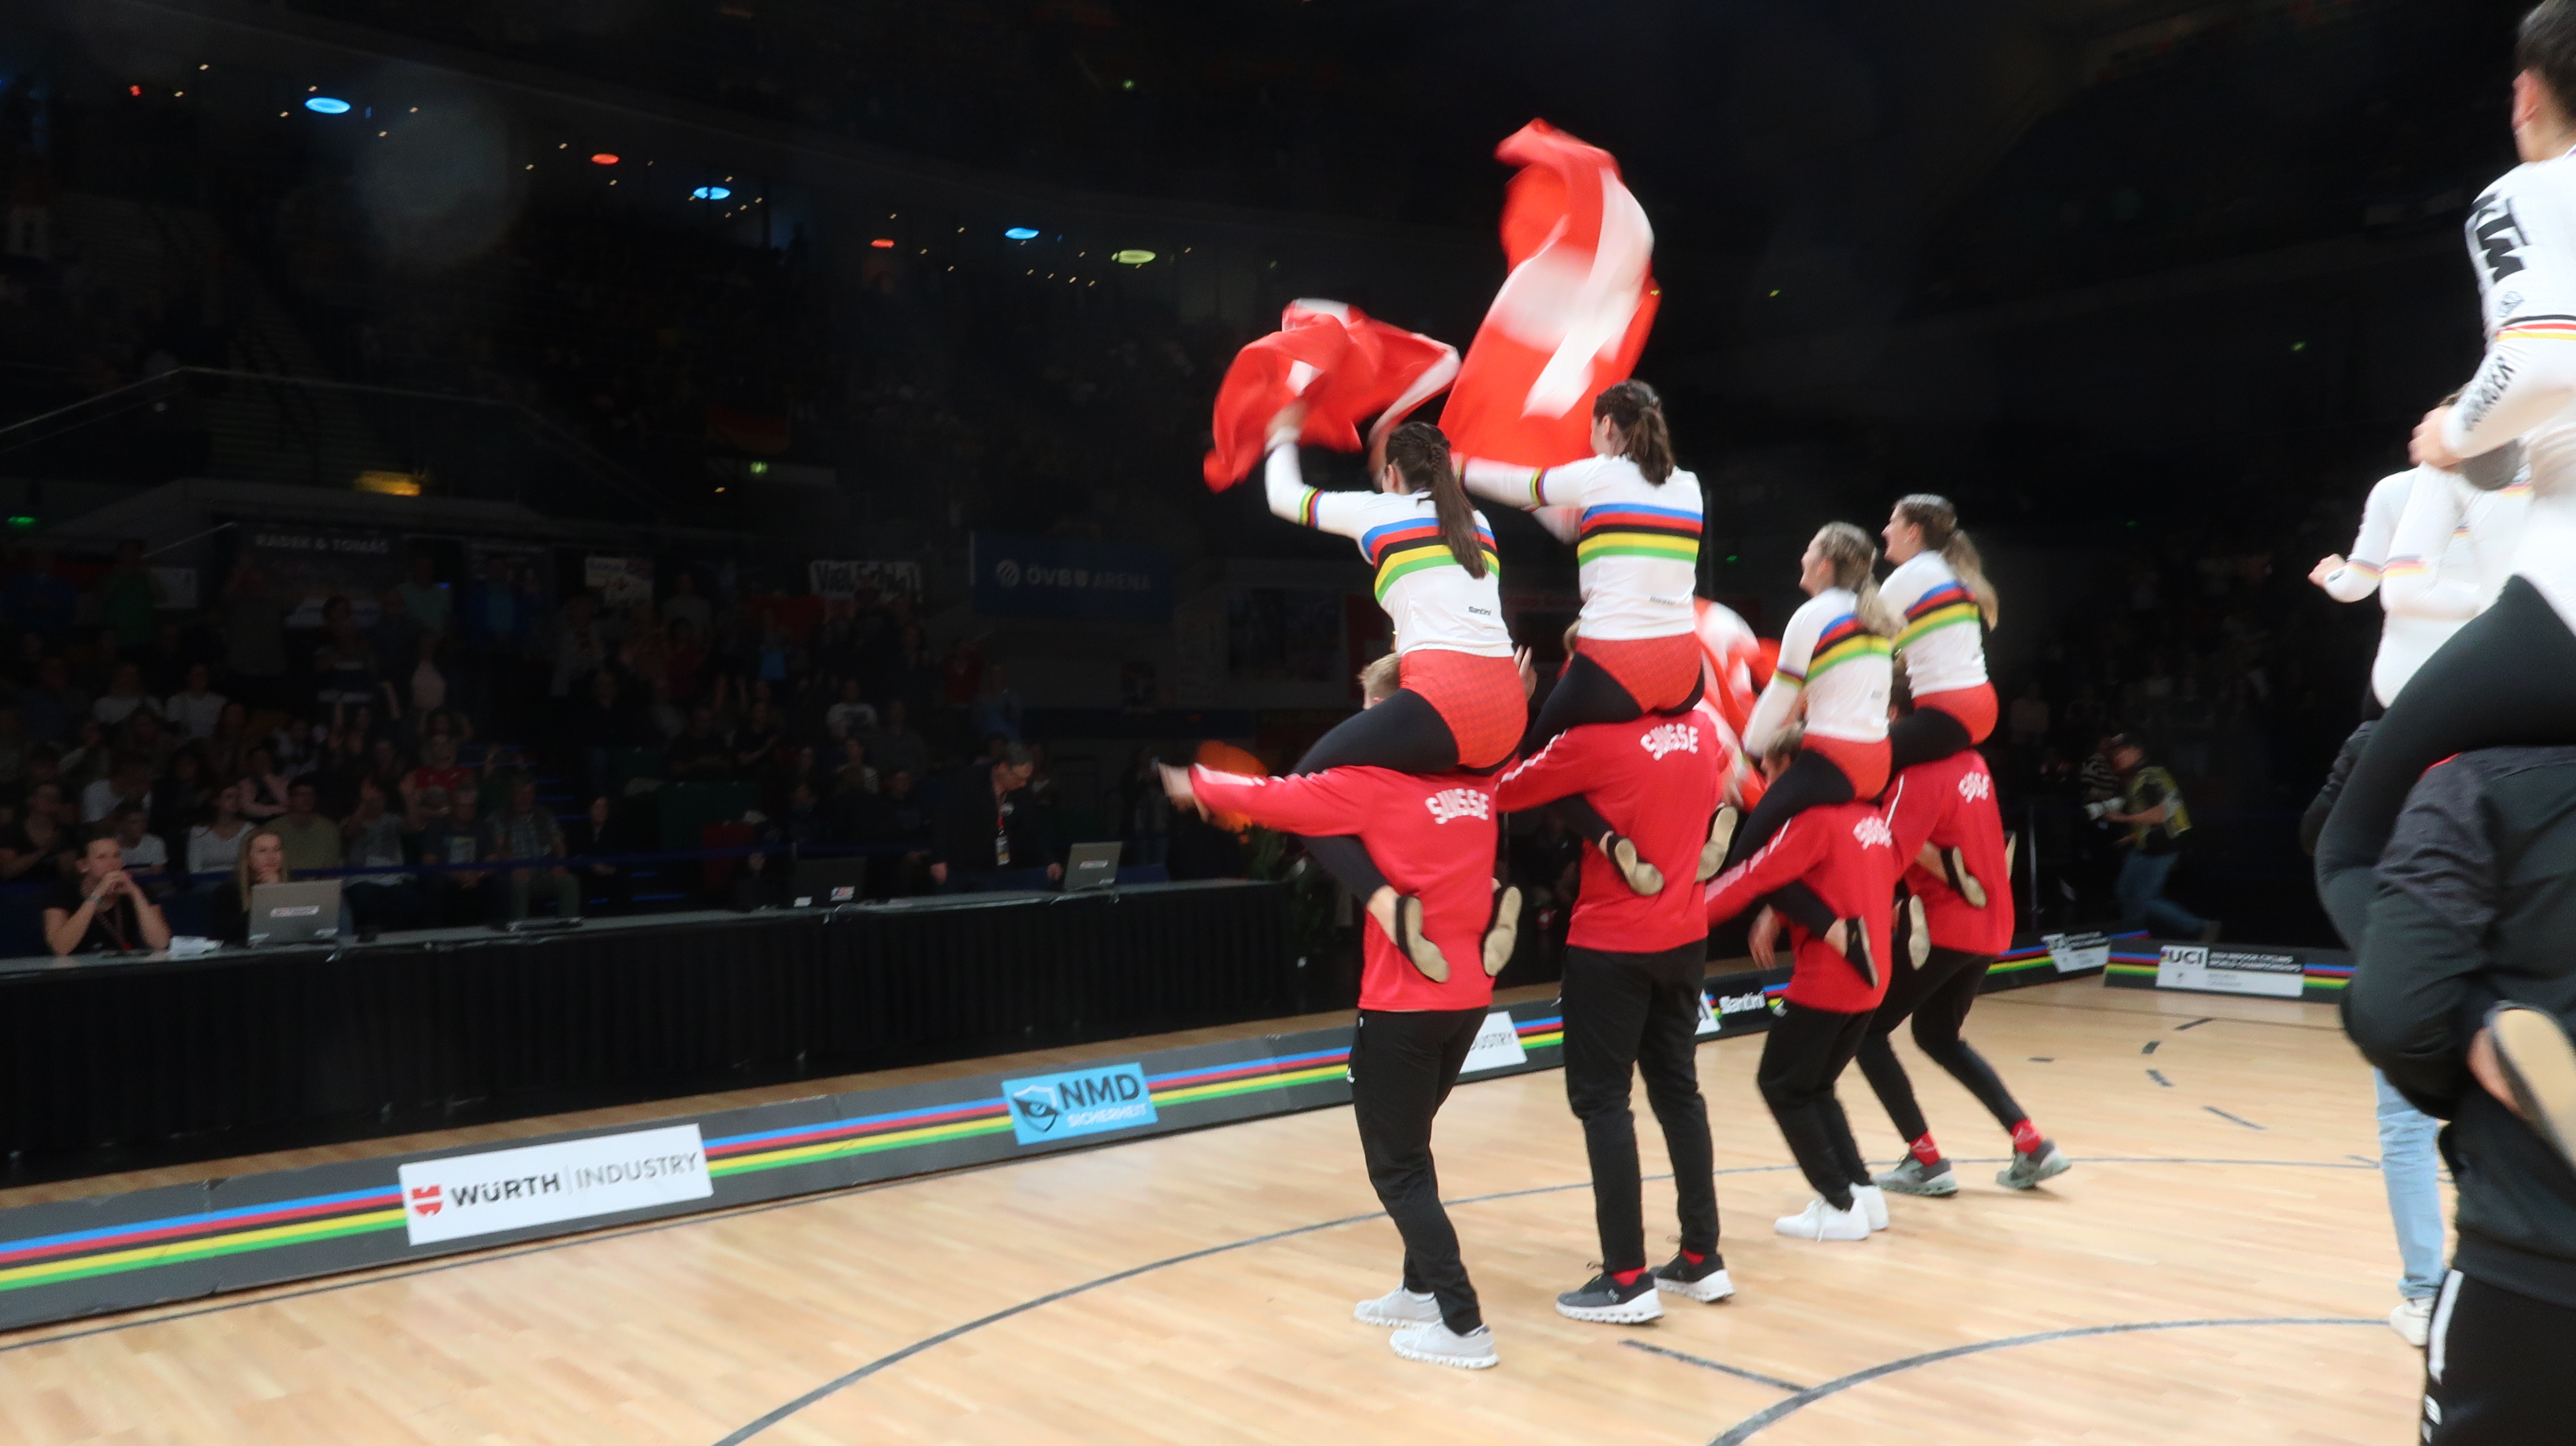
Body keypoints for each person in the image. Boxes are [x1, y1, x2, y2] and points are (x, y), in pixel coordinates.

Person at [2317, 1, 2576, 951]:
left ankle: (2467, 1042)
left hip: (2559, 609)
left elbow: (2544, 359)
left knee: (2343, 844)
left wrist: (2455, 432)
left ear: (2527, 91)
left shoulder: (2527, 193)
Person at [1161, 720, 1505, 1371]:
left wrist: (1197, 781)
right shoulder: (1476, 787)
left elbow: (1274, 798)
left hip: (1402, 1005)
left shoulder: (1371, 786)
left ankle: (1464, 1325)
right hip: (1469, 999)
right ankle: (1419, 1290)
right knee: (1414, 1147)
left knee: (1396, 1167)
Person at [2344, 745, 2576, 1441]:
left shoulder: (2482, 778)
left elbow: (2397, 1016)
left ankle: (2418, 1289)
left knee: (2402, 1132)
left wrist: (2485, 1044)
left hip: (2534, 1266)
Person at [1492, 694, 1730, 1322]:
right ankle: (1702, 1258)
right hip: (1686, 935)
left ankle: (1627, 1277)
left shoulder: (1592, 740)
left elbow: (1505, 789)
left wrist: (1517, 716)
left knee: (1603, 1102)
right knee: (1679, 1091)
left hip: (1611, 944)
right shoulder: (1702, 729)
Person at [1264, 413, 1523, 975]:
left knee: (1307, 789)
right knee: (1432, 798)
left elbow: (1285, 497)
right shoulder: (1479, 524)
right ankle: (1491, 891)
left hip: (1447, 700)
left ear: (1391, 475)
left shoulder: (1378, 512)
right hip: (1507, 709)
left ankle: (1387, 905)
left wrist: (1283, 431)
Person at [1459, 381, 1705, 890]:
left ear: (1608, 426)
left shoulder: (1597, 476)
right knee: (1672, 739)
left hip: (1618, 668)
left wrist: (1456, 464)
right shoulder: (1689, 485)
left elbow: (1517, 484)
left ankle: (1609, 838)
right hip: (1685, 671)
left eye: (1592, 427)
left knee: (1538, 758)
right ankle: (1710, 813)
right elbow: (1581, 523)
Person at [1702, 730, 1899, 1243]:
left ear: (1795, 766)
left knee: (1782, 1084)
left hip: (1829, 976)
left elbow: (1752, 874)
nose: (1770, 789)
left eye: (1770, 774)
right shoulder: (1871, 821)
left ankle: (1838, 1204)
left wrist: (1681, 915)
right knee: (1815, 1086)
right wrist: (1779, 912)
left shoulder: (1815, 822)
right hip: (1873, 974)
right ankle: (1862, 1195)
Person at [1859, 743, 2070, 1196]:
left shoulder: (1914, 775)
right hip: (1993, 924)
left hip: (1943, 926)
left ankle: (1926, 1161)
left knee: (1866, 1032)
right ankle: (2031, 1143)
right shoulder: (1973, 763)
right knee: (1936, 1035)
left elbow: (1889, 850)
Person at [1716, 523, 1901, 955]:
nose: (1801, 558)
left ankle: (1834, 929)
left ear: (1824, 564)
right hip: (1877, 760)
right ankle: (1890, 913)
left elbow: (1780, 696)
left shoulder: (1814, 614)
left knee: (1749, 856)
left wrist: (1745, 756)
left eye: (1808, 550)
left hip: (1835, 758)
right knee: (1815, 851)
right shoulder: (1873, 613)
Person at [1877, 496, 2001, 773]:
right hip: (1980, 704)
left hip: (1950, 710)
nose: (1885, 531)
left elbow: (1859, 647)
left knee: (1865, 762)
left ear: (1914, 531)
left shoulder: (1911, 574)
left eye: (1893, 522)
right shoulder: (1952, 569)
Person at [2094, 733, 2217, 940]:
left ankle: (2200, 926)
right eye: (2115, 753)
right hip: (2147, 844)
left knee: (2145, 898)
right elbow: (2149, 813)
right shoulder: (2140, 775)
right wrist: (2132, 835)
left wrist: (2122, 819)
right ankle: (2134, 935)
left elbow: (2161, 814)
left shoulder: (2150, 776)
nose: (2117, 757)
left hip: (2164, 845)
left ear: (2137, 751)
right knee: (2125, 891)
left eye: (2121, 752)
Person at [927, 743, 1061, 892]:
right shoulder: (967, 780)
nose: (1023, 784)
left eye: (1026, 779)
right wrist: (938, 859)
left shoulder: (1019, 793)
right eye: (1019, 778)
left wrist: (1049, 861)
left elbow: (1031, 830)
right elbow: (941, 819)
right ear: (1003, 767)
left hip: (990, 869)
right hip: (956, 867)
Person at [45, 829, 171, 956]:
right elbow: (60, 948)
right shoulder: (61, 893)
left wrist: (136, 894)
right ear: (83, 866)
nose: (113, 864)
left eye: (117, 856)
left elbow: (161, 943)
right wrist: (98, 894)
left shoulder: (140, 890)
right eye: (102, 857)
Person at [485, 773, 580, 923]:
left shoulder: (545, 814)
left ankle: (569, 927)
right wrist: (515, 866)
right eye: (520, 793)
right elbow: (498, 849)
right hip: (516, 872)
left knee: (569, 881)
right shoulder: (499, 816)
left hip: (545, 871)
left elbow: (559, 844)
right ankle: (520, 931)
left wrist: (560, 863)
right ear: (512, 794)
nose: (525, 798)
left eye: (529, 793)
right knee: (519, 883)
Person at [270, 780, 340, 875]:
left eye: (310, 795)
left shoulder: (330, 829)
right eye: (300, 795)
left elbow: (330, 868)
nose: (306, 799)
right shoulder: (273, 829)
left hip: (319, 886)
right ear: (290, 799)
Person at [187, 783, 252, 882]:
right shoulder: (198, 831)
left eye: (238, 797)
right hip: (206, 885)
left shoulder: (250, 830)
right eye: (229, 797)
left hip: (238, 883)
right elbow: (194, 869)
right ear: (216, 801)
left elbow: (250, 865)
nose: (235, 801)